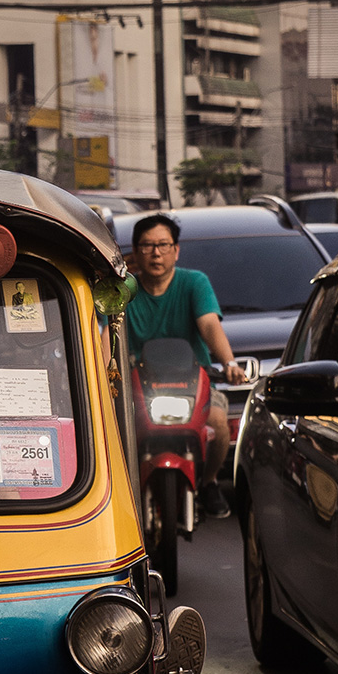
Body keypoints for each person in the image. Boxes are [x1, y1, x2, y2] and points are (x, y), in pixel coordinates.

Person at [125, 213, 246, 519]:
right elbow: (103, 333)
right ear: (135, 251)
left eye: (163, 245)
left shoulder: (194, 282)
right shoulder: (123, 289)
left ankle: (208, 482)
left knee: (219, 424)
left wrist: (228, 363)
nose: (156, 253)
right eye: (148, 245)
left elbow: (209, 325)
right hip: (137, 388)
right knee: (113, 430)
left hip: (194, 386)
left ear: (176, 250)